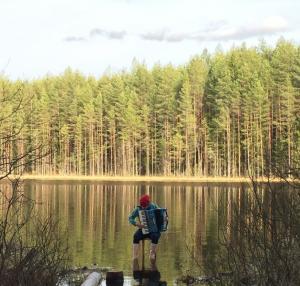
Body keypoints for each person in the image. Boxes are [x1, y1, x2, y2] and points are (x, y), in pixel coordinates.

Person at [128, 194, 161, 264]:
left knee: (155, 236)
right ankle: (135, 257)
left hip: (154, 230)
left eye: (145, 206)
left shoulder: (154, 206)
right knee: (136, 236)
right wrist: (137, 224)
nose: (143, 208)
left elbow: (161, 215)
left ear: (148, 203)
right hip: (143, 229)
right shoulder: (138, 209)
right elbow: (130, 218)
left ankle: (152, 254)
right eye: (142, 206)